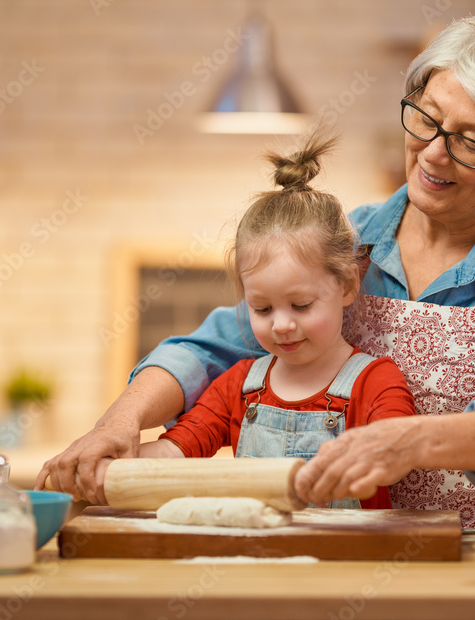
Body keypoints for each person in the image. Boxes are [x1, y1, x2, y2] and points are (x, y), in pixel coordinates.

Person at [36, 7, 475, 528]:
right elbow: (211, 350)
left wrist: (415, 440)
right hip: (350, 558)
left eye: (470, 142)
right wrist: (119, 424)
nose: (433, 152)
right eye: (427, 119)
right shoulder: (345, 239)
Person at [126, 135, 417, 510]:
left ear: (347, 285)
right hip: (256, 560)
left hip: (349, 564)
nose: (281, 324)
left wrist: (366, 461)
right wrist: (116, 464)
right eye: (262, 309)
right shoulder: (238, 386)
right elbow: (175, 450)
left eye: (301, 305)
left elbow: (396, 452)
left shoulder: (376, 382)